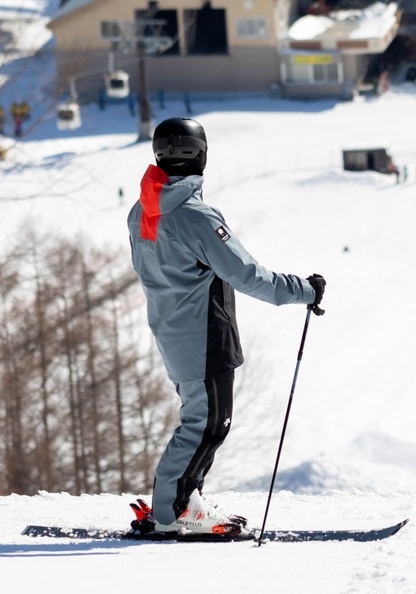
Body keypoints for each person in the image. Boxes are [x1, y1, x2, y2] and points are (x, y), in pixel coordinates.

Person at [127, 117, 325, 537]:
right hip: (201, 334)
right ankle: (172, 509)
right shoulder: (196, 216)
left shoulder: (143, 210)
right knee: (206, 423)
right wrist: (304, 290)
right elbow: (249, 276)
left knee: (204, 418)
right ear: (201, 156)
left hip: (171, 328)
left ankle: (185, 498)